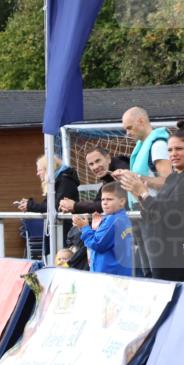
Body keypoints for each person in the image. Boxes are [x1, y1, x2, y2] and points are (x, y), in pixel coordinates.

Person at [117, 120, 184, 282]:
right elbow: (154, 213)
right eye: (170, 150)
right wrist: (138, 192)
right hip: (161, 260)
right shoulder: (174, 178)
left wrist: (143, 192)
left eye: (179, 149)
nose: (173, 154)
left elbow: (171, 214)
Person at [71, 183, 133, 277]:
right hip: (120, 274)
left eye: (109, 199)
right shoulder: (124, 219)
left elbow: (97, 244)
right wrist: (95, 229)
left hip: (108, 276)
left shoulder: (112, 220)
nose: (104, 202)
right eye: (102, 199)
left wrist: (85, 228)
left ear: (122, 201)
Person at [59, 145, 130, 214]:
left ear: (108, 158)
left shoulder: (121, 171)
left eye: (98, 161)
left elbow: (105, 205)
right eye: (91, 164)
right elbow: (98, 201)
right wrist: (70, 206)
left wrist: (75, 206)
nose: (95, 167)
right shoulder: (108, 176)